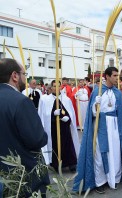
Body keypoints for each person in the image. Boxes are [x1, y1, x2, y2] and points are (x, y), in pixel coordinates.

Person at [73, 67, 122, 194]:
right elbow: (92, 114)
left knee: (115, 153)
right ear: (108, 76)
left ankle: (114, 178)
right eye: (115, 75)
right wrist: (95, 105)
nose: (117, 78)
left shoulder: (118, 93)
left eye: (118, 75)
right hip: (101, 127)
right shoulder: (97, 92)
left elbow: (121, 112)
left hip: (115, 128)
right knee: (100, 154)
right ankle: (100, 181)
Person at [0, 58, 49, 197]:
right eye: (24, 74)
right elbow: (36, 139)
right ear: (15, 76)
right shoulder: (20, 101)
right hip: (24, 178)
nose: (25, 79)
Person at [38, 80, 79, 172]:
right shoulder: (46, 100)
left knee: (67, 145)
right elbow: (45, 116)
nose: (56, 88)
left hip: (64, 128)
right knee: (55, 146)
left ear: (61, 87)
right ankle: (56, 164)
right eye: (54, 86)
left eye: (58, 86)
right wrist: (53, 114)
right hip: (53, 128)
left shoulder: (66, 100)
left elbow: (70, 113)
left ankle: (71, 163)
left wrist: (67, 118)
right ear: (51, 88)